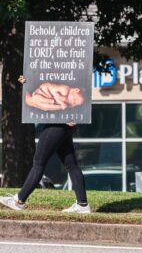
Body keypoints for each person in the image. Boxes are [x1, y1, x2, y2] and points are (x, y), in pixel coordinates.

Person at [0, 76, 91, 213]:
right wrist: (28, 82)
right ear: (75, 89)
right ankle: (83, 204)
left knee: (39, 162)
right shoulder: (61, 86)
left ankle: (19, 200)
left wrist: (71, 114)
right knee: (71, 164)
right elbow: (41, 79)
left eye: (75, 104)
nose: (71, 103)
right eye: (73, 100)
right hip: (62, 124)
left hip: (57, 125)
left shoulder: (65, 91)